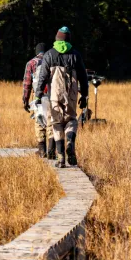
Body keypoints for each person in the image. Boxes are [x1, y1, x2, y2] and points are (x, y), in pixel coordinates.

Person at [33, 27, 89, 168]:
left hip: (55, 95)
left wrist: (38, 95)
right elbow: (83, 77)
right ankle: (70, 139)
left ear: (57, 38)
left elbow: (42, 77)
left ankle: (61, 158)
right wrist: (84, 95)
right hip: (71, 94)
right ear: (69, 39)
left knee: (56, 123)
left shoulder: (49, 54)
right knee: (71, 119)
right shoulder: (75, 55)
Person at [22, 43, 54, 159]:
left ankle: (42, 150)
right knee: (51, 121)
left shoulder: (31, 63)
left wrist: (25, 100)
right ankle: (51, 149)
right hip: (52, 96)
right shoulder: (52, 60)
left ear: (36, 52)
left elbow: (27, 84)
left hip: (38, 97)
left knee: (39, 122)